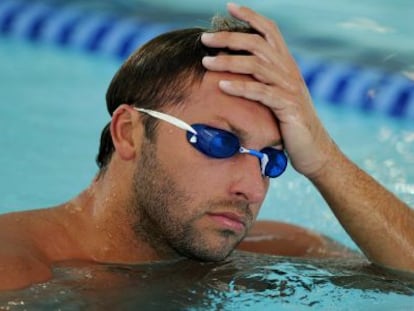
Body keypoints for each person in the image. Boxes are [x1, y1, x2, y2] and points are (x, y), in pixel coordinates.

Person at [1, 3, 413, 291]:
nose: (251, 189)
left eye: (270, 159)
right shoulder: (17, 268)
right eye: (219, 142)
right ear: (128, 132)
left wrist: (323, 158)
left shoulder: (270, 252)